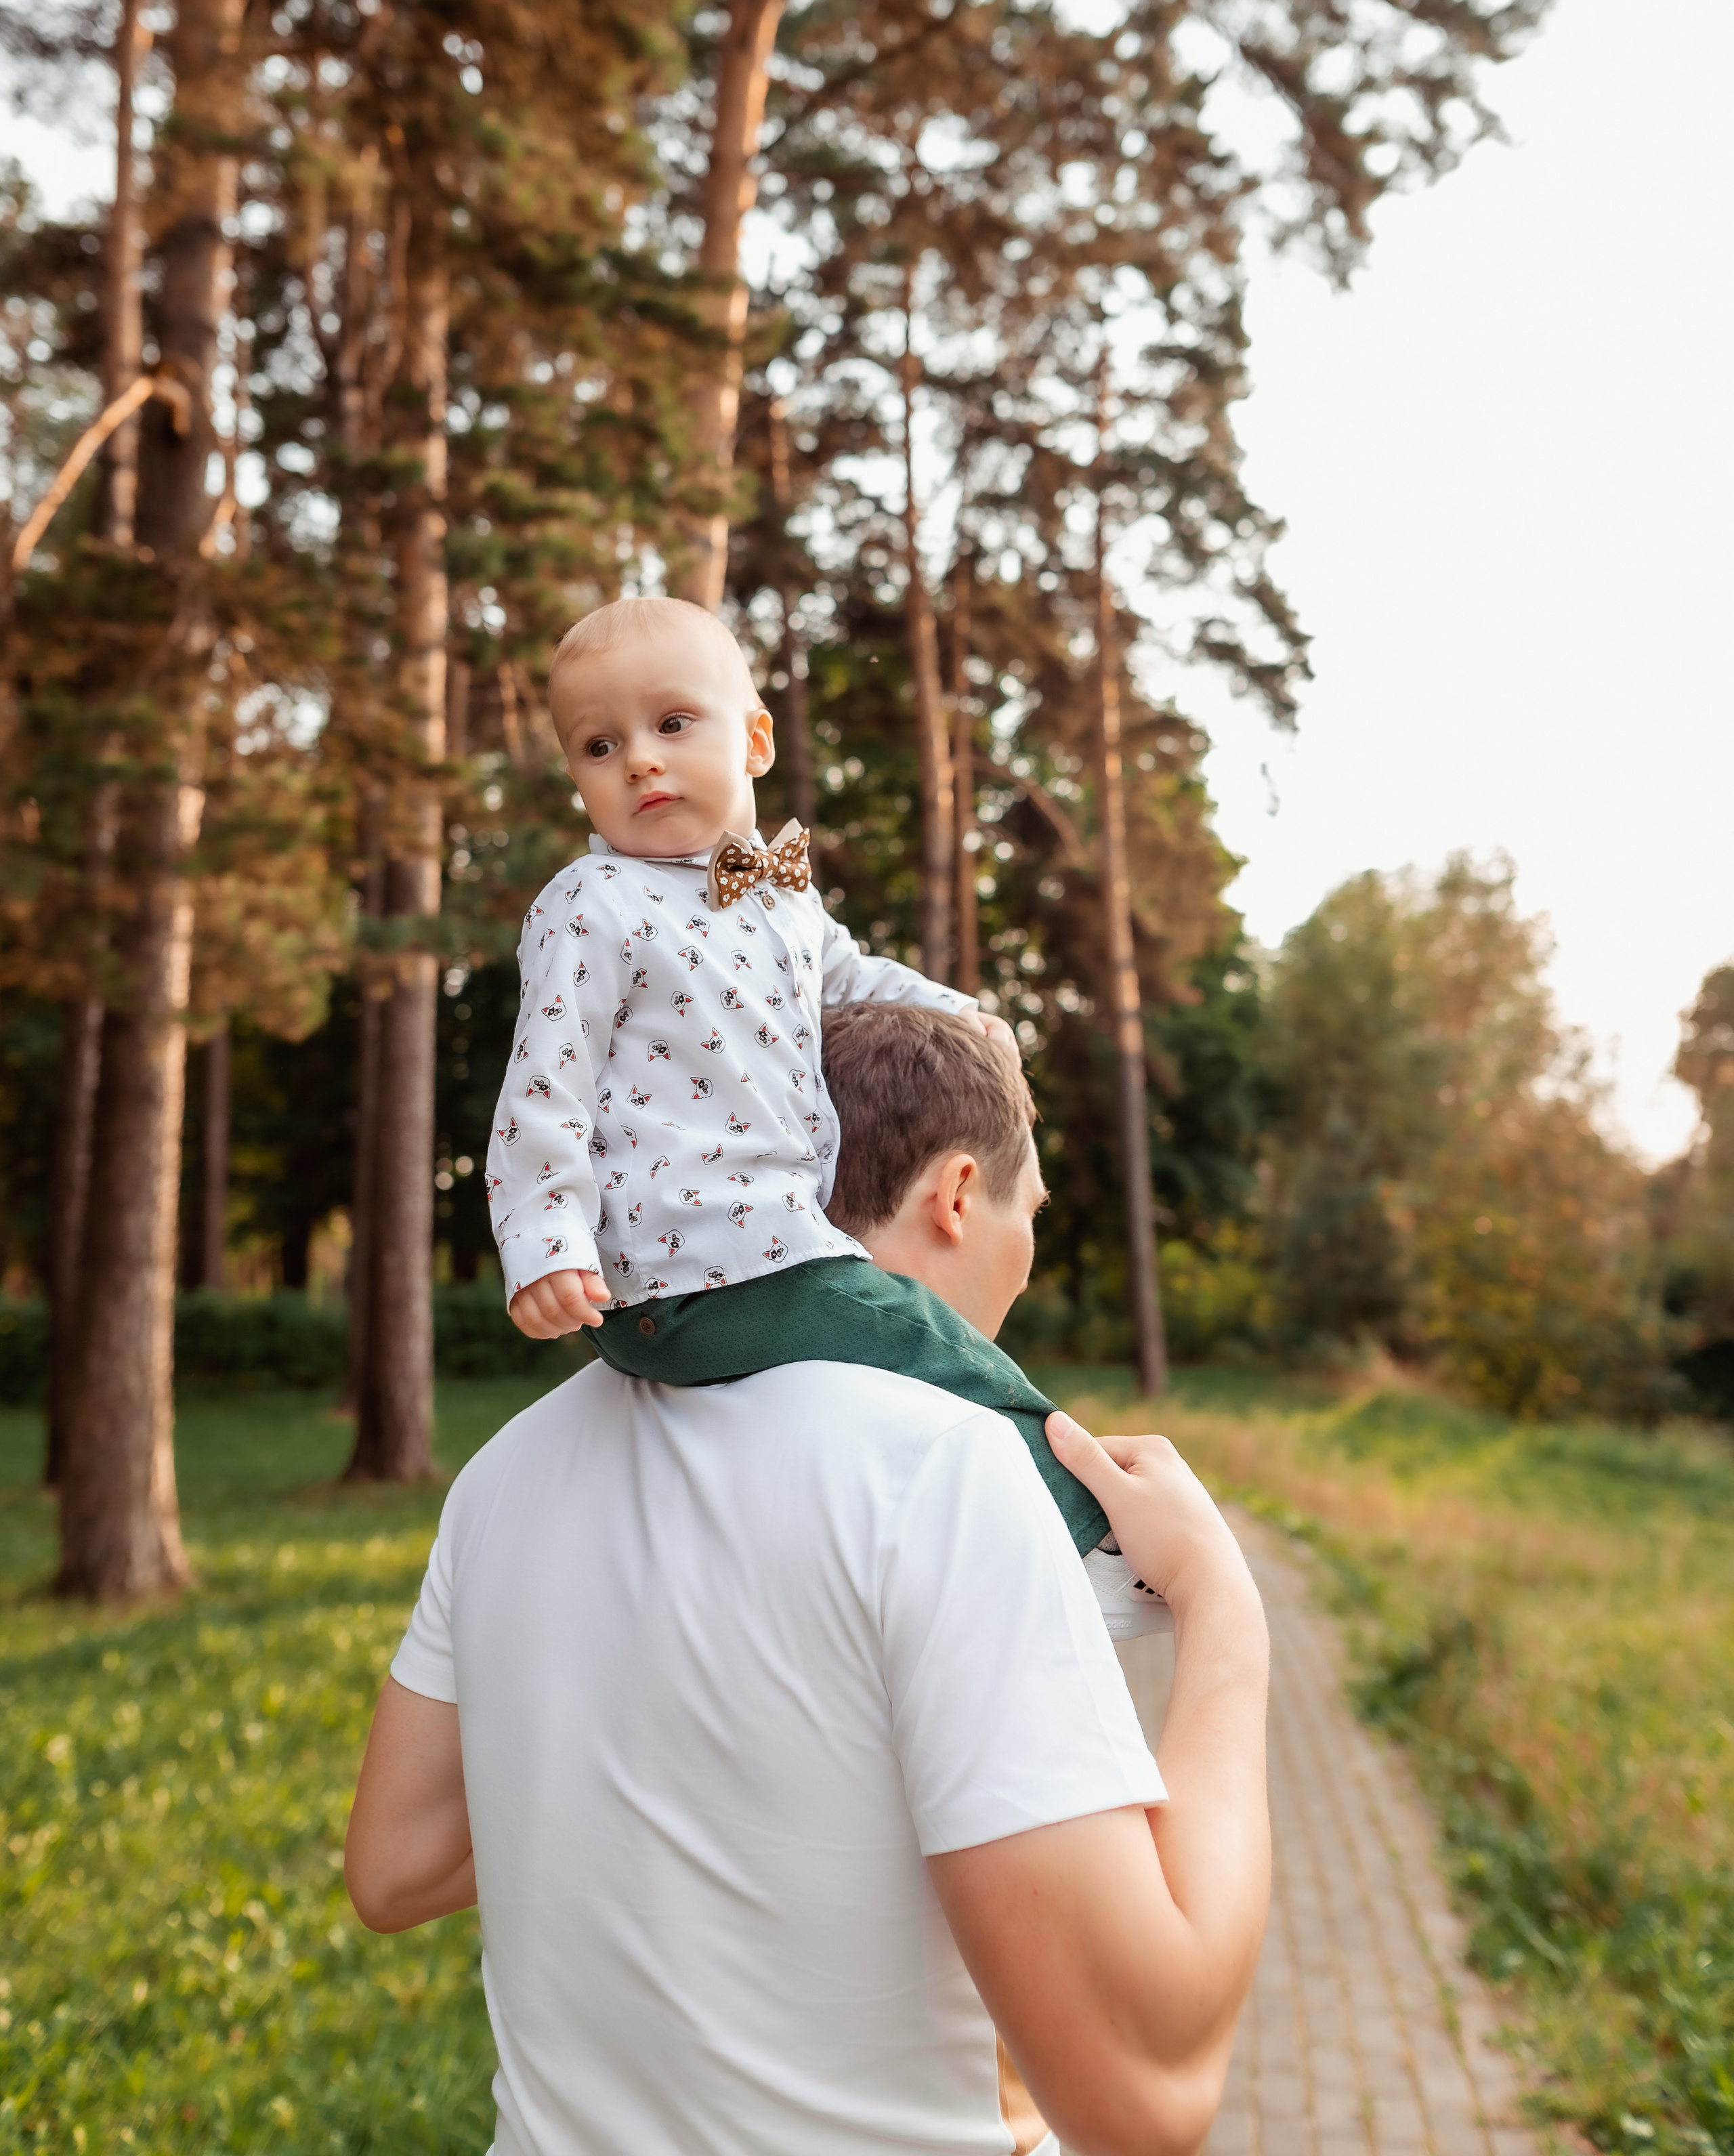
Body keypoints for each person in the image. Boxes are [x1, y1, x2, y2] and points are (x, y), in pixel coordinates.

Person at [348, 1003, 1271, 2156]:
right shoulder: (946, 1468)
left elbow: (398, 1864)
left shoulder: (502, 1474)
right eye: (1027, 1217)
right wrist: (1225, 1610)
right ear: (955, 1193)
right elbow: (1150, 2090)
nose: (1024, 1268)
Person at [484, 593, 1144, 1591]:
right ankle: (1094, 1554)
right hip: (698, 1262)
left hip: (766, 1241)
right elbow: (546, 1083)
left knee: (876, 1391)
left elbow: (854, 975)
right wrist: (545, 1240)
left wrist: (970, 1014)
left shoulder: (777, 900)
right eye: (599, 745)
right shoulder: (593, 904)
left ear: (754, 740)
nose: (640, 761)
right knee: (931, 1350)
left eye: (671, 725)